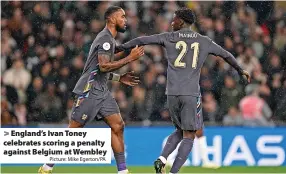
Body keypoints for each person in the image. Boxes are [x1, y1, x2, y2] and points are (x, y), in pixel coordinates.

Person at [118, 7, 250, 174]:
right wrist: (240, 70)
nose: (172, 22)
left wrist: (121, 47)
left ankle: (162, 159)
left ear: (182, 21)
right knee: (189, 135)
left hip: (172, 93)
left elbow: (143, 40)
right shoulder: (204, 41)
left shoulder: (168, 37)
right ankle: (173, 172)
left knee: (180, 131)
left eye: (174, 19)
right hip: (190, 93)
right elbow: (226, 55)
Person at [38, 6, 144, 174]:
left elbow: (99, 69)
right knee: (74, 131)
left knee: (118, 126)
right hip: (90, 91)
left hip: (102, 91)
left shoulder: (108, 40)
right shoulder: (106, 39)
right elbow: (102, 66)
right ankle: (46, 167)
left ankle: (123, 171)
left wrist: (118, 78)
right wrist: (130, 58)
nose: (125, 20)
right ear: (111, 19)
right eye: (122, 17)